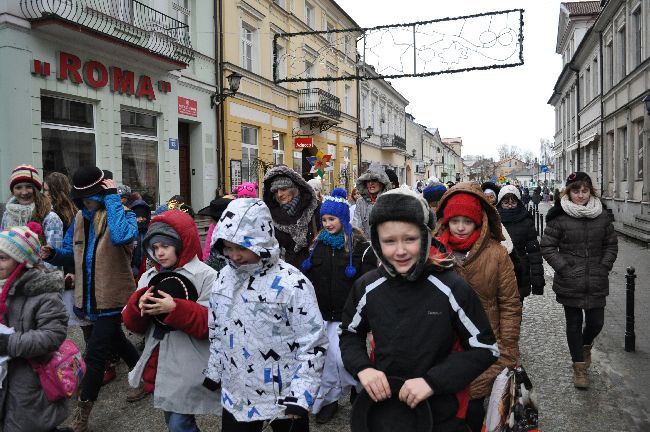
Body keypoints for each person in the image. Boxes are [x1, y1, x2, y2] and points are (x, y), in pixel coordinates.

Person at [339, 188, 499, 432]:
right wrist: (364, 369)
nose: (400, 250)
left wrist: (432, 382)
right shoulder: (367, 287)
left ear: (425, 237)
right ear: (377, 243)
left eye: (410, 239)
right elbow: (350, 335)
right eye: (389, 241)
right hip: (385, 414)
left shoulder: (450, 287)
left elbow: (485, 348)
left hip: (441, 414)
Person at [204, 198, 327, 432]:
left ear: (262, 241)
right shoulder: (223, 278)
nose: (235, 256)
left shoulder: (292, 283)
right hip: (237, 392)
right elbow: (217, 328)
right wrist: (215, 370)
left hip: (284, 396)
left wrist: (301, 395)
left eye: (242, 248)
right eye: (228, 247)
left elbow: (312, 343)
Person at [41, 166, 141, 432]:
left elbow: (121, 237)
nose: (86, 202)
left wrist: (111, 198)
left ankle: (82, 414)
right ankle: (143, 374)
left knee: (96, 354)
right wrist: (52, 254)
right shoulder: (79, 220)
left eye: (91, 196)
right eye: (82, 197)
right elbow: (68, 254)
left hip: (113, 296)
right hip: (88, 299)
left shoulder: (125, 216)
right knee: (116, 340)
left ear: (101, 192)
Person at [433, 183, 521, 432]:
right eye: (455, 220)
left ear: (479, 222)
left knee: (473, 411)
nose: (460, 227)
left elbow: (510, 304)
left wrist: (508, 350)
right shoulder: (433, 252)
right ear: (446, 220)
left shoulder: (497, 254)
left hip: (484, 348)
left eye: (467, 221)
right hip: (443, 349)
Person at [122, 209, 219, 431]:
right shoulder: (148, 277)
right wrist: (139, 304)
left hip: (191, 358)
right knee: (173, 419)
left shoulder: (206, 276)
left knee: (179, 423)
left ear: (182, 242)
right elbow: (133, 325)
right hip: (159, 357)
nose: (160, 253)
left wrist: (175, 309)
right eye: (155, 248)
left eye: (165, 246)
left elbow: (211, 322)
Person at [301, 188, 377, 424]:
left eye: (331, 219)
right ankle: (330, 400)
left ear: (343, 218)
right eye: (324, 219)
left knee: (343, 358)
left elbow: (369, 283)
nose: (327, 224)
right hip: (323, 313)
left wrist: (370, 316)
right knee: (325, 360)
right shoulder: (317, 246)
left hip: (349, 315)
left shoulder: (360, 248)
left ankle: (360, 386)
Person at [540, 172, 618, 389]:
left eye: (585, 190)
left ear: (590, 191)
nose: (581, 195)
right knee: (573, 324)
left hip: (596, 279)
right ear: (569, 192)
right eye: (576, 191)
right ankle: (579, 368)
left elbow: (611, 244)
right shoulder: (559, 217)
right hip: (570, 280)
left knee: (596, 322)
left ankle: (586, 345)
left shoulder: (602, 215)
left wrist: (604, 266)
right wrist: (564, 268)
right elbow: (547, 246)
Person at [0, 223, 69, 432]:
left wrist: (8, 343)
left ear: (22, 261)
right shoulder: (2, 285)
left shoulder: (44, 293)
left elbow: (53, 335)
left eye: (3, 258)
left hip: (29, 381)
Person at [2, 165, 64, 269]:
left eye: (29, 186)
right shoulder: (7, 215)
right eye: (18, 187)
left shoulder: (50, 217)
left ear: (36, 189)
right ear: (12, 191)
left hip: (41, 280)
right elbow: (2, 248)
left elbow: (53, 261)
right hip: (11, 278)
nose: (24, 192)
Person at [262, 165, 321, 269]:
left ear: (294, 189)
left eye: (283, 189)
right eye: (275, 191)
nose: (279, 194)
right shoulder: (272, 215)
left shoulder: (314, 207)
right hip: (286, 273)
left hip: (315, 270)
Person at [496, 185, 545, 301]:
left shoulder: (526, 220)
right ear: (500, 203)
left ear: (518, 202)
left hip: (520, 271)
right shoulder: (494, 220)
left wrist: (537, 280)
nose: (509, 205)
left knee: (516, 309)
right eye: (506, 202)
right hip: (497, 270)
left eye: (513, 202)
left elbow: (534, 252)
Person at [197, 194, 236, 272]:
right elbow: (209, 246)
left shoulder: (232, 238)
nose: (211, 222)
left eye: (212, 219)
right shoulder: (216, 231)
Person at [353, 162, 392, 239]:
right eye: (368, 181)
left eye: (374, 180)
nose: (370, 183)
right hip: (365, 245)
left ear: (382, 182)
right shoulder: (360, 202)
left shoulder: (389, 201)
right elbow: (356, 225)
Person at [129, 199, 152, 281]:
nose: (140, 219)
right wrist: (134, 271)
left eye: (143, 217)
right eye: (137, 217)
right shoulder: (129, 232)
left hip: (149, 272)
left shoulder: (152, 231)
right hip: (133, 274)